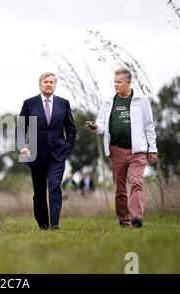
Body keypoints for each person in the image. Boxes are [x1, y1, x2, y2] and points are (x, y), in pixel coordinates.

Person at [87, 67, 157, 228]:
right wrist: (95, 127)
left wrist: (152, 148)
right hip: (116, 150)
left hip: (137, 150)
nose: (116, 85)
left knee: (136, 182)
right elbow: (102, 125)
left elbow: (149, 125)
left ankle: (137, 217)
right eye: (114, 82)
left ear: (128, 82)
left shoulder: (141, 100)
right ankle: (124, 221)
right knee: (119, 188)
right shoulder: (108, 101)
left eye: (119, 82)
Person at [18, 72, 77, 230]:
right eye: (46, 82)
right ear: (40, 84)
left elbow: (71, 130)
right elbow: (20, 128)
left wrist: (66, 150)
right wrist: (23, 147)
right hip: (35, 155)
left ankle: (55, 224)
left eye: (52, 82)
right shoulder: (29, 103)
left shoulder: (63, 104)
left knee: (54, 186)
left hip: (57, 156)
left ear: (55, 85)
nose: (49, 84)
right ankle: (43, 225)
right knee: (39, 193)